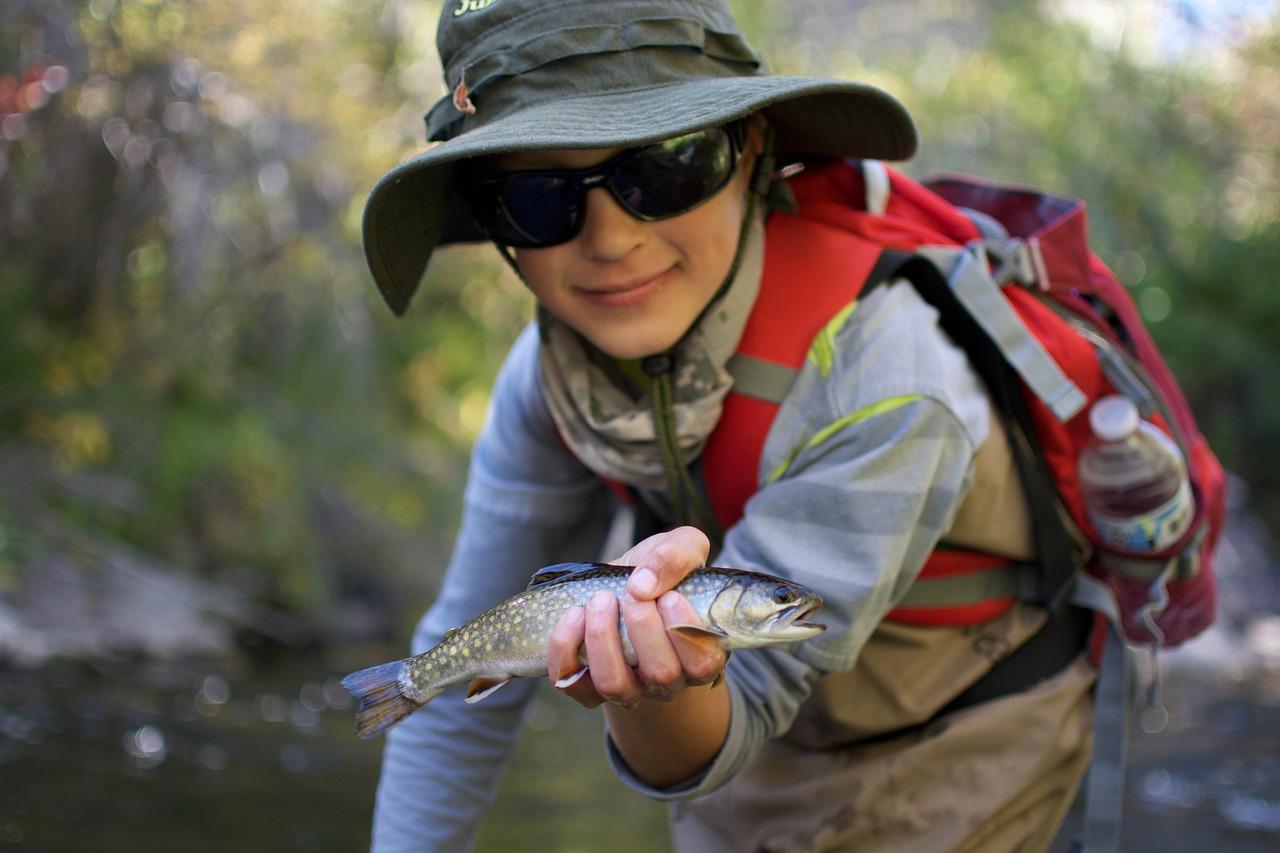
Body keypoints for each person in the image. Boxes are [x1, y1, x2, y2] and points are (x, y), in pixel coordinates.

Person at [360, 1, 1097, 850]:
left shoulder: (890, 380)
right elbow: (462, 688)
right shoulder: (548, 383)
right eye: (535, 197)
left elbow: (752, 692)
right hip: (735, 754)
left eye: (666, 169)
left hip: (968, 740)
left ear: (751, 155)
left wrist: (661, 687)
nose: (612, 238)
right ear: (494, 228)